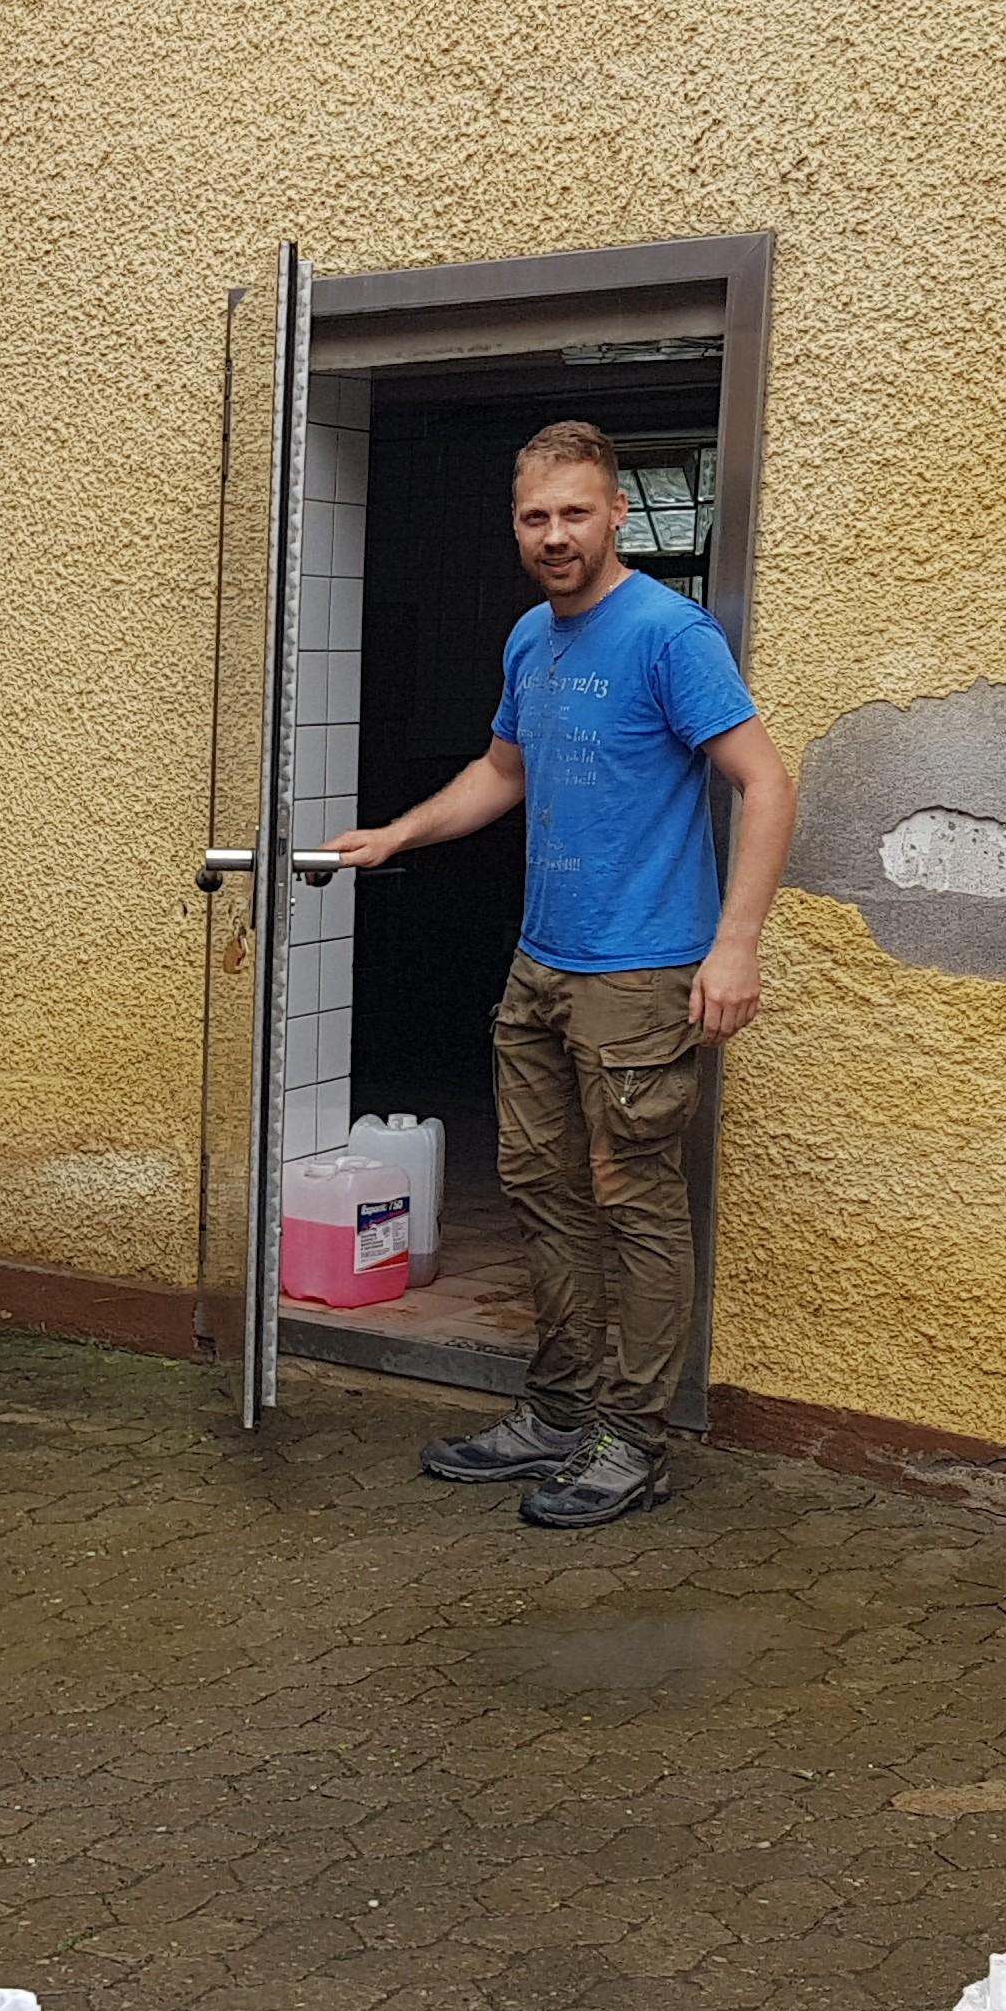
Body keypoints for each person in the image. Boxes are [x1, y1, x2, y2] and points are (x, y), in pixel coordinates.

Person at [324, 418, 794, 1528]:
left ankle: (634, 1440)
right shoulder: (531, 639)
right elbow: (501, 773)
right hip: (541, 963)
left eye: (575, 513)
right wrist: (397, 834)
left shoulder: (669, 636)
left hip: (640, 973)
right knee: (543, 1190)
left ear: (617, 511)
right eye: (535, 518)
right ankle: (558, 1411)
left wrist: (734, 947)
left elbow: (765, 786)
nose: (555, 535)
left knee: (636, 1204)